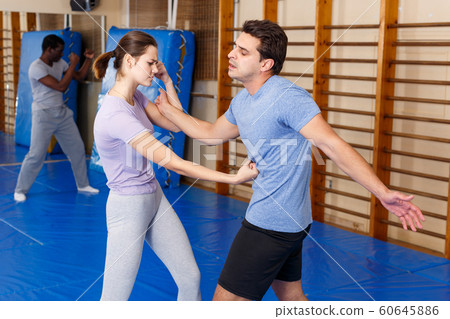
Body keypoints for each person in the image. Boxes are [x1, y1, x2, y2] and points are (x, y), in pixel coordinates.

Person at [154, 20, 426, 301]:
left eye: (243, 52)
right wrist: (168, 106)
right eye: (235, 47)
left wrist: (382, 192)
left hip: (270, 223)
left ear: (265, 64)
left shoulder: (286, 97)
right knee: (292, 299)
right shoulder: (243, 101)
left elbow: (331, 144)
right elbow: (210, 134)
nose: (231, 54)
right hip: (292, 221)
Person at [92, 30, 258, 301]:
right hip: (128, 206)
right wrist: (232, 179)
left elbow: (176, 124)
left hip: (153, 197)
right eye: (151, 63)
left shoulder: (136, 98)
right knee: (114, 299)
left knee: (190, 277)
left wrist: (167, 81)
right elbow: (176, 164)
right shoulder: (115, 114)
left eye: (157, 63)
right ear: (130, 62)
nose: (155, 68)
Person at [14, 34, 99, 202]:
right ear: (49, 50)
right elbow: (61, 86)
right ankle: (20, 190)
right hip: (43, 115)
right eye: (59, 51)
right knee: (36, 155)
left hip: (62, 114)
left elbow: (78, 77)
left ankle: (83, 185)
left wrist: (87, 60)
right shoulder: (36, 67)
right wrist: (74, 63)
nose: (62, 54)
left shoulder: (60, 63)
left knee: (77, 149)